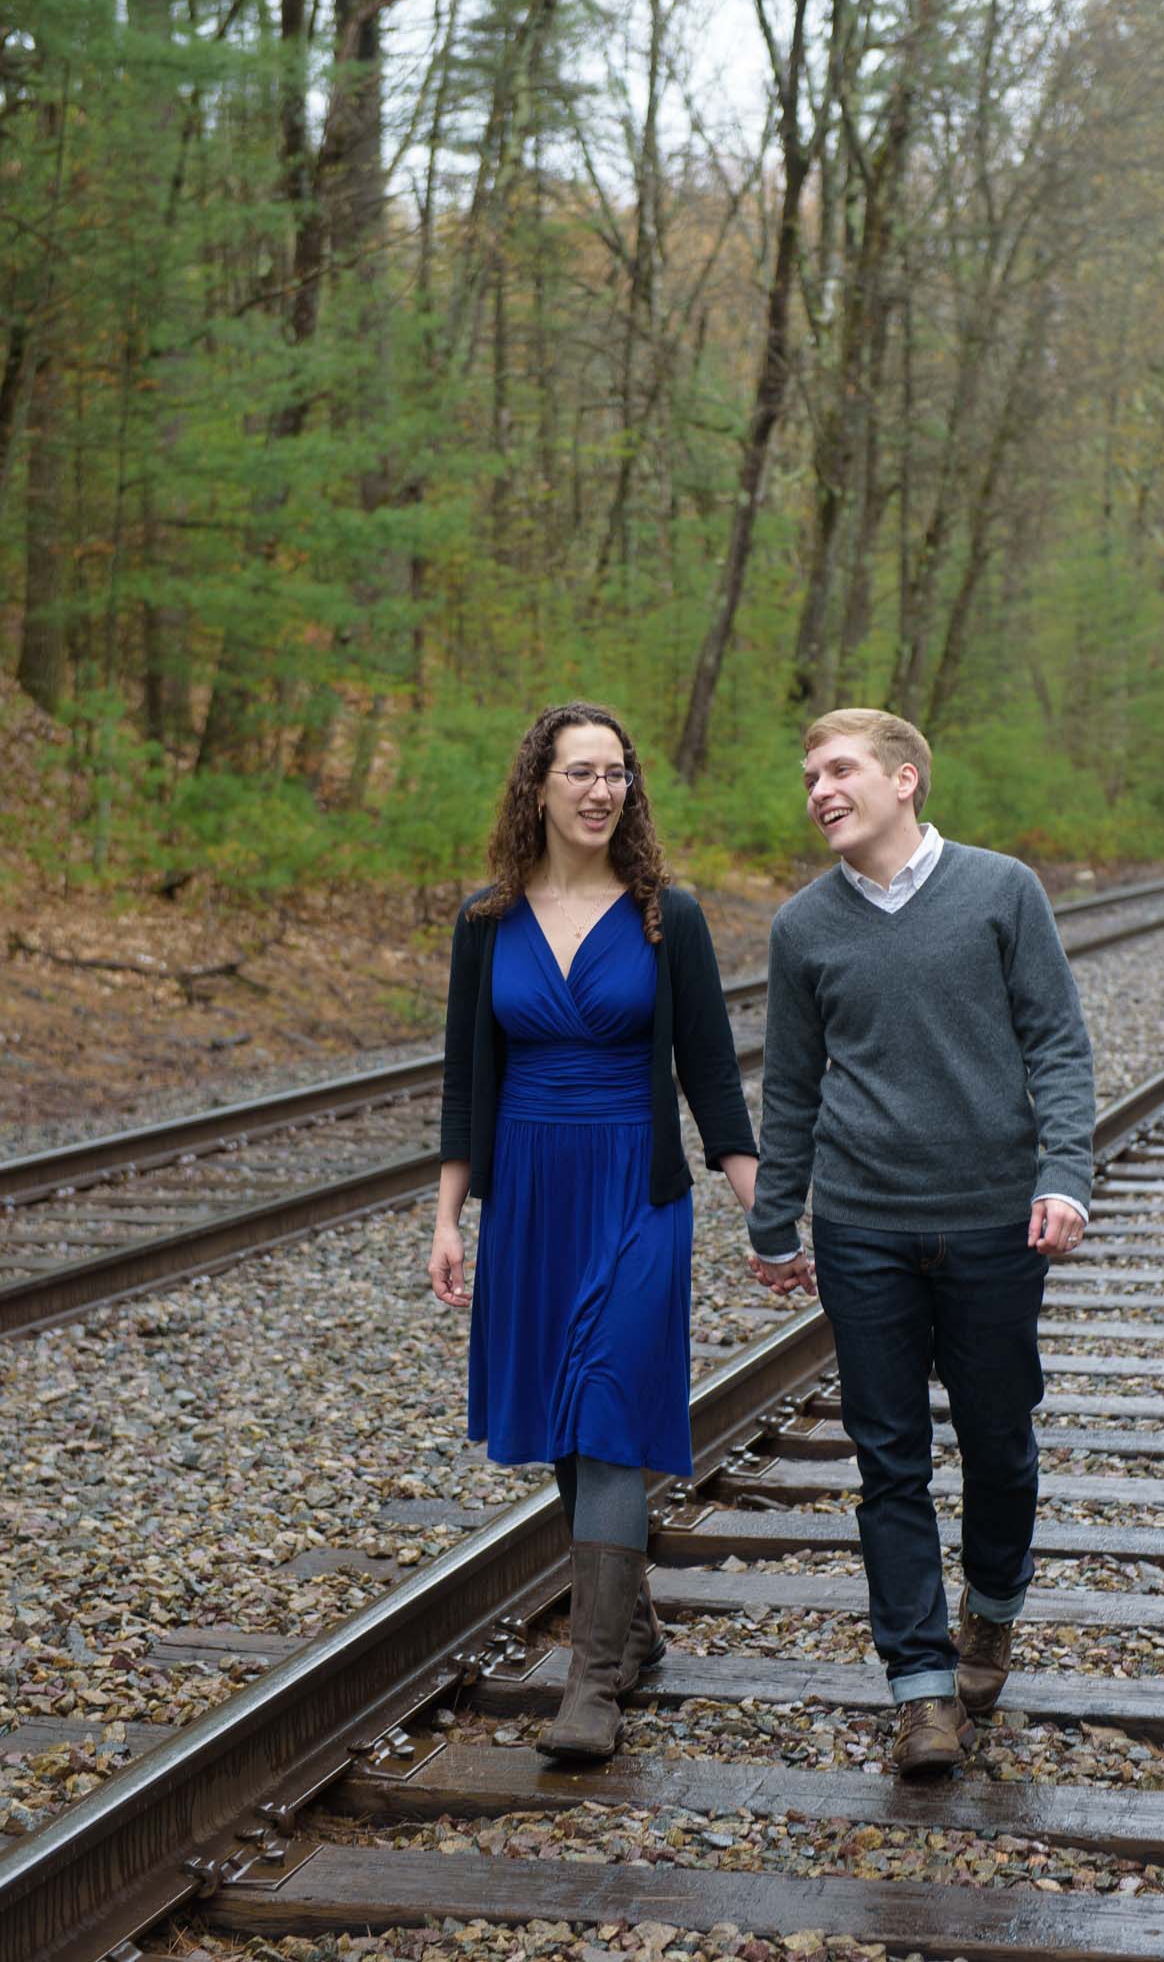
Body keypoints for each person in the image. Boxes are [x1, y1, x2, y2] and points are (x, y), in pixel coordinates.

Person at [746, 708, 1094, 1776]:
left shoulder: (1002, 890)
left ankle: (992, 1605)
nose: (820, 788)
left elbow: (1058, 1041)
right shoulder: (803, 927)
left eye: (840, 769)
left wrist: (1065, 1174)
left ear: (905, 779)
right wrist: (774, 1218)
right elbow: (795, 1084)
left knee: (998, 1438)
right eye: (809, 774)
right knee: (887, 1456)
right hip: (864, 1227)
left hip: (994, 1216)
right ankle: (922, 1689)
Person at [430, 701, 758, 1762]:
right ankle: (637, 1628)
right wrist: (447, 1216)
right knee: (568, 1422)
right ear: (538, 786)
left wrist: (767, 1205)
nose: (599, 789)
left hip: (636, 1183)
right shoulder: (486, 921)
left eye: (615, 771)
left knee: (610, 1403)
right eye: (579, 771)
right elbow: (466, 1081)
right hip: (528, 1191)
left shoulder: (672, 916)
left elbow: (710, 1070)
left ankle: (591, 1681)